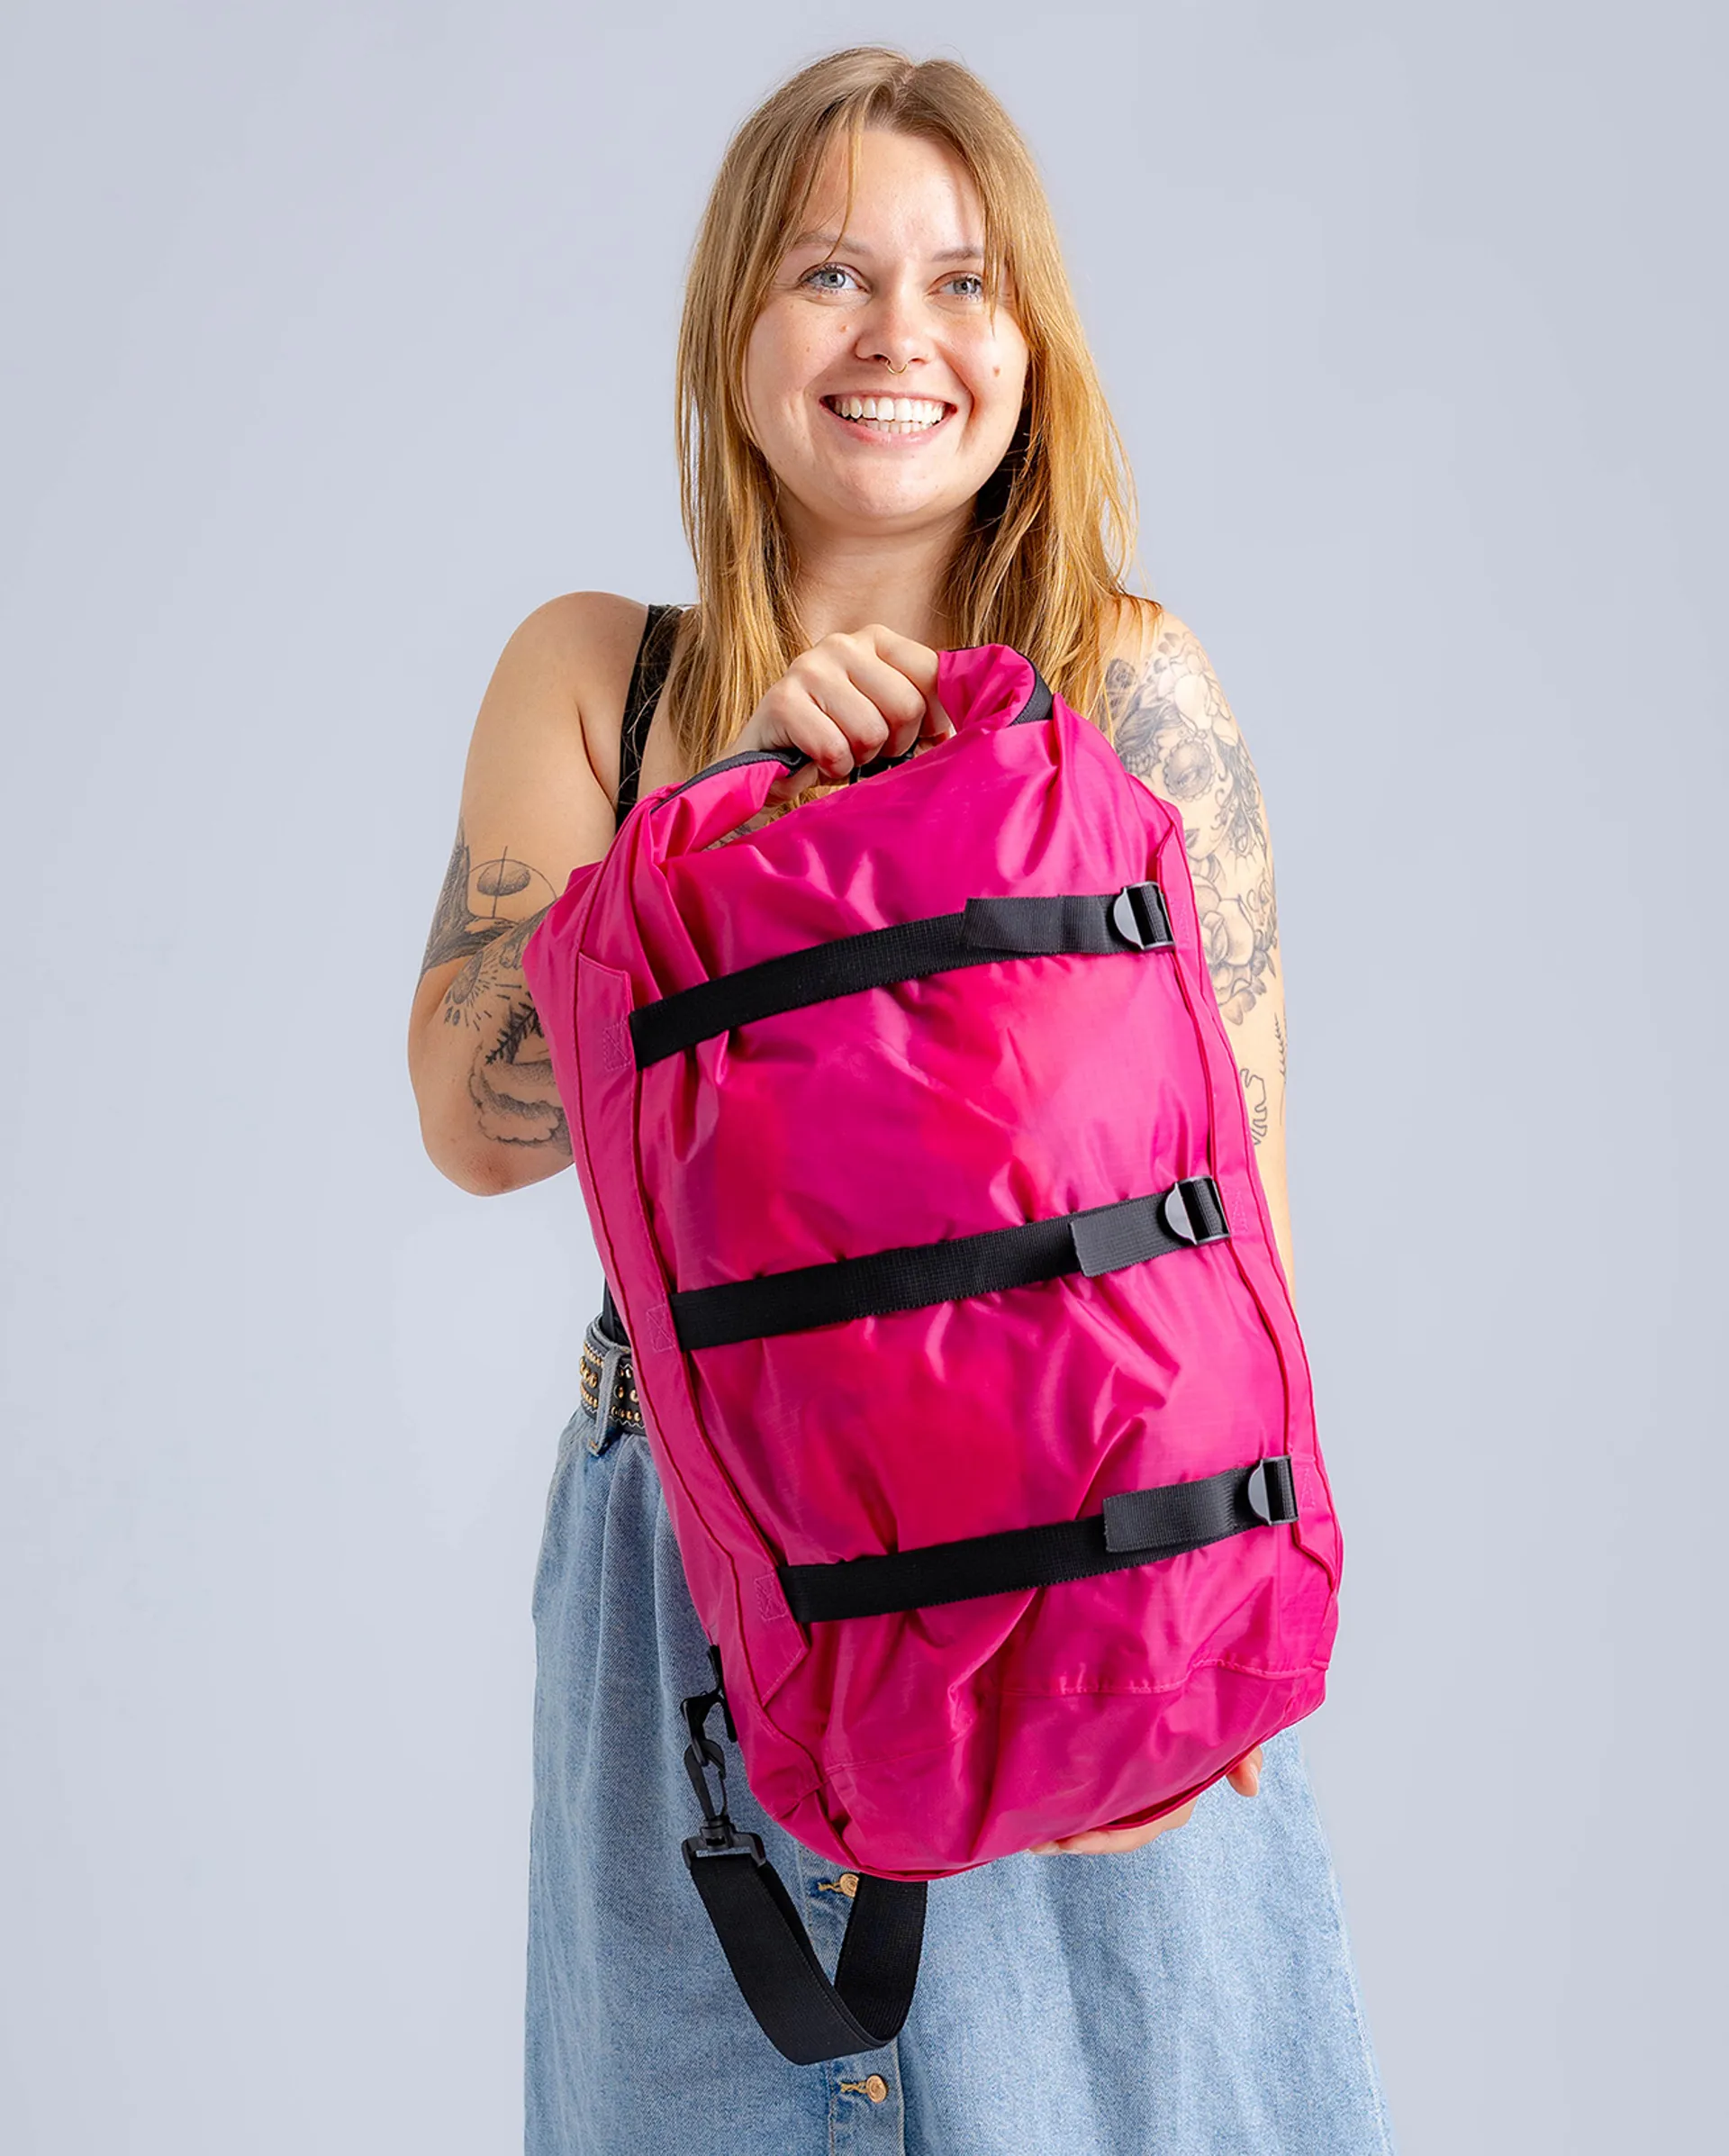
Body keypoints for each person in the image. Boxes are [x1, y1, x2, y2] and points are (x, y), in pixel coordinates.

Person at [406, 44, 1398, 2156]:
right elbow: (479, 1121)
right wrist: (732, 816)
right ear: (735, 328)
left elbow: (1238, 1216)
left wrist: (1224, 1612)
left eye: (962, 281)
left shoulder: (1126, 685)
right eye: (830, 274)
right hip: (703, 1561)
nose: (899, 338)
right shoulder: (599, 681)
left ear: (1027, 346)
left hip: (1093, 1515)